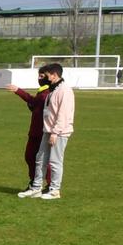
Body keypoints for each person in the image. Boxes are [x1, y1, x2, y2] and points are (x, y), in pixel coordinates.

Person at [22, 62, 73, 200]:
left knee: (55, 161)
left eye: (48, 75)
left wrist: (55, 132)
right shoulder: (53, 90)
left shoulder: (64, 91)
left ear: (55, 75)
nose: (45, 78)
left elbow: (63, 114)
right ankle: (36, 188)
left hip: (59, 132)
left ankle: (55, 190)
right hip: (47, 130)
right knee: (40, 158)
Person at [9, 68, 51, 193]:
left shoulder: (48, 93)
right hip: (34, 131)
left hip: (43, 131)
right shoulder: (42, 92)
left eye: (42, 75)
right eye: (38, 75)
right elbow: (34, 105)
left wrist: (18, 91)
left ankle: (49, 184)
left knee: (44, 159)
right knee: (30, 156)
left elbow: (34, 102)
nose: (39, 78)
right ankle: (34, 182)